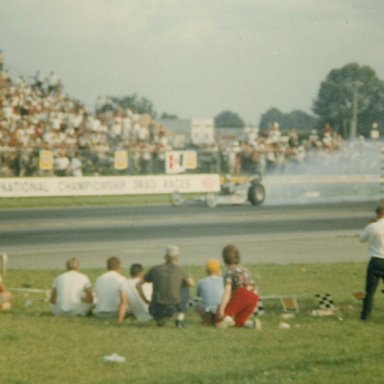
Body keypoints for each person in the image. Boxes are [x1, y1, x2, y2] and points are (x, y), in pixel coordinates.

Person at [137, 245, 194, 327]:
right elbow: (191, 283)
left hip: (155, 308)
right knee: (185, 288)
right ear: (177, 258)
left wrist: (145, 299)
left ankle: (160, 318)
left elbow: (138, 285)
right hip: (172, 307)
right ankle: (180, 318)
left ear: (164, 257)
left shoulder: (155, 269)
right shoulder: (180, 270)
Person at [216, 244, 259, 329]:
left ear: (224, 259)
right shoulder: (245, 270)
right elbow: (253, 286)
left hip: (242, 294)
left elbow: (227, 292)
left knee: (221, 318)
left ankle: (226, 320)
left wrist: (222, 308)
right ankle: (252, 324)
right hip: (254, 296)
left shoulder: (229, 273)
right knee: (239, 321)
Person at [360, 206, 384, 320]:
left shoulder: (372, 226)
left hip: (376, 260)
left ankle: (365, 316)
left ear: (377, 214)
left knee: (369, 292)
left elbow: (362, 239)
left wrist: (369, 225)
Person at [195, 259, 224, 325]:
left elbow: (198, 295)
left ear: (206, 271)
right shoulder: (223, 280)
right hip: (220, 309)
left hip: (207, 310)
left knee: (196, 304)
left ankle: (206, 319)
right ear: (218, 270)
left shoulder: (201, 282)